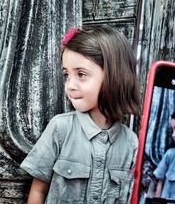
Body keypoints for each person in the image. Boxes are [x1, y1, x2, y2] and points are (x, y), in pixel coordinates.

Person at [20, 26, 140, 204]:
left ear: (115, 76)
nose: (70, 85)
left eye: (81, 74)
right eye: (66, 74)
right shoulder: (60, 128)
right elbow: (38, 190)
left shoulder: (131, 143)